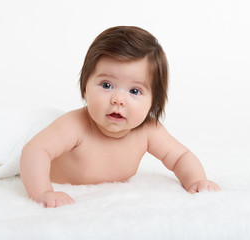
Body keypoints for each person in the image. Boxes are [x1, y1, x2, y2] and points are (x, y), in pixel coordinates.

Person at [20, 26, 220, 208]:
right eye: (106, 85)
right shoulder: (75, 125)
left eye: (134, 91)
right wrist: (43, 192)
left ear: (154, 101)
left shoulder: (148, 131)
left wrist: (195, 181)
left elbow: (180, 157)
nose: (118, 100)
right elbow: (35, 150)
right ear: (85, 87)